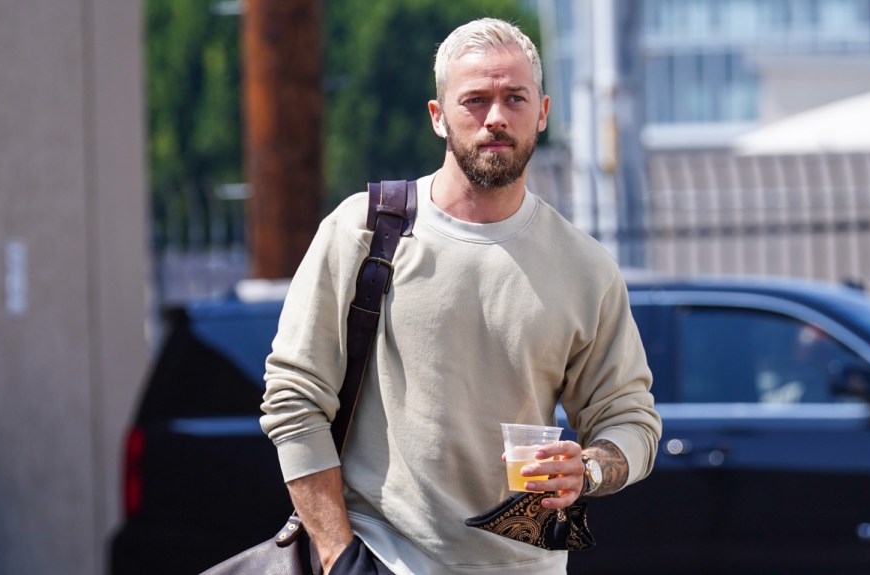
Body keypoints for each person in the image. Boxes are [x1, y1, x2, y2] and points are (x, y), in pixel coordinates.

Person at [260, 17, 662, 575]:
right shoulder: (366, 230)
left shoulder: (584, 266)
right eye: (474, 100)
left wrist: (587, 469)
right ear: (438, 116)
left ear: (542, 112)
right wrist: (338, 555)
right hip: (384, 557)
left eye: (514, 98)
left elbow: (631, 420)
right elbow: (293, 397)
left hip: (530, 565)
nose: (496, 117)